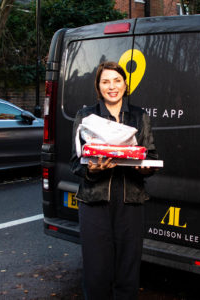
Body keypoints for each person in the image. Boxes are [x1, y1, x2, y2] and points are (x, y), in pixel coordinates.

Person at [70, 61, 158, 299]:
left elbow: (150, 156)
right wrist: (93, 170)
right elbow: (75, 161)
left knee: (128, 268)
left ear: (125, 84)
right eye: (106, 81)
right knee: (96, 269)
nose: (112, 86)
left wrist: (143, 168)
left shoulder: (139, 116)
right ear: (98, 87)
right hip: (94, 200)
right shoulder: (85, 115)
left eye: (117, 80)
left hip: (131, 200)